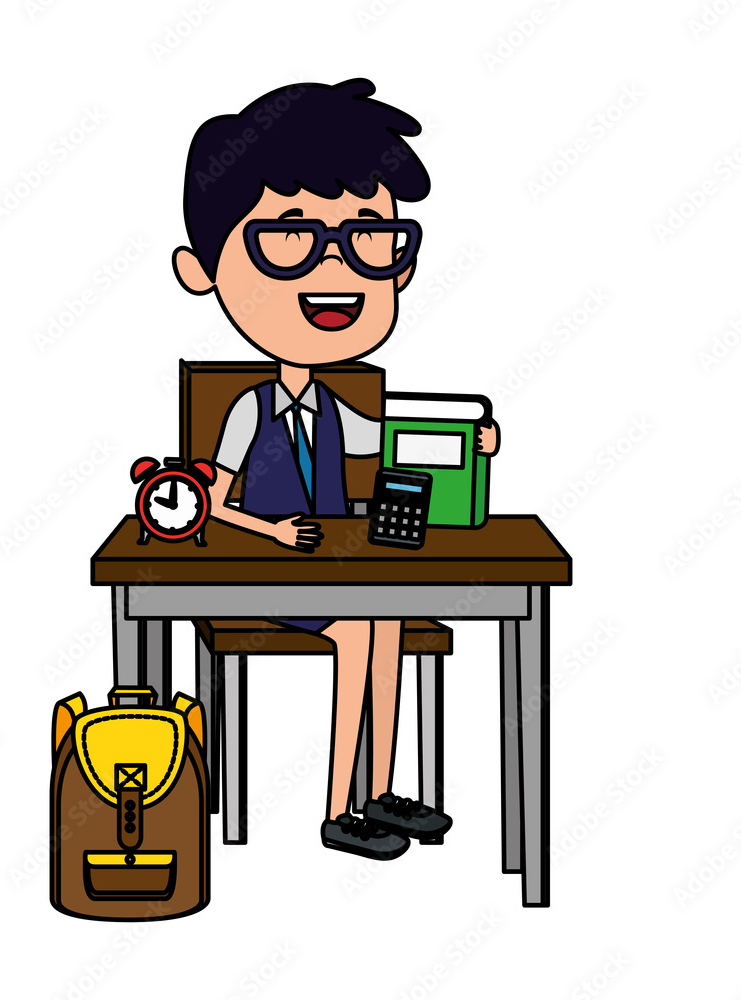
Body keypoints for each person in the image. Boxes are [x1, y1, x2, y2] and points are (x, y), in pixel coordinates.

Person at [172, 79, 499, 860]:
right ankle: (336, 807)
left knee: (383, 623)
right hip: (267, 574)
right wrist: (271, 531)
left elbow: (392, 434)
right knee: (363, 630)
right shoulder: (248, 409)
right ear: (202, 270)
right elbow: (208, 499)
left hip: (333, 570)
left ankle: (379, 790)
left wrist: (467, 440)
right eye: (285, 238)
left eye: (368, 240)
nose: (334, 273)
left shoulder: (332, 404)